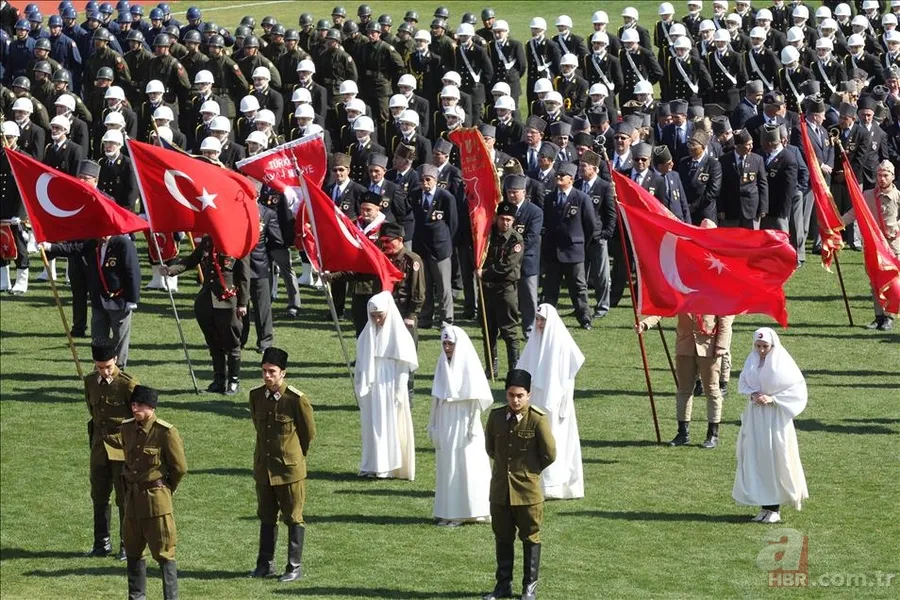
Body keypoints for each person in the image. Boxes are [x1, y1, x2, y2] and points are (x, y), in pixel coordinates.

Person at [483, 369, 556, 600]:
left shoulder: (537, 419)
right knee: (502, 538)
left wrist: (530, 473)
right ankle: (503, 586)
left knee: (530, 537)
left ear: (529, 395)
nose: (515, 400)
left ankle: (529, 588)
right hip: (500, 492)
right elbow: (491, 448)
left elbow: (550, 454)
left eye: (520, 395)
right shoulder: (495, 417)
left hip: (527, 494)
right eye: (511, 395)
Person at [249, 347, 317, 582]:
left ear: (283, 373)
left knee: (293, 517)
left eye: (272, 371)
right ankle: (264, 564)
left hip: (288, 471)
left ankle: (294, 567)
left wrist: (295, 458)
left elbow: (308, 434)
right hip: (264, 469)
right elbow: (259, 431)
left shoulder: (296, 400)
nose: (267, 376)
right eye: (264, 371)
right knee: (266, 516)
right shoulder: (256, 396)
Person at [732, 328, 808, 524]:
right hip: (756, 416)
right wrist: (753, 394)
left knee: (775, 457)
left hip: (775, 418)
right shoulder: (752, 360)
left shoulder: (783, 363)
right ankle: (765, 506)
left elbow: (796, 389)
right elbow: (743, 382)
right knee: (757, 457)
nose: (761, 350)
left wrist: (773, 399)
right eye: (758, 346)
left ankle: (775, 507)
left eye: (765, 346)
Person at [122, 385, 187, 600]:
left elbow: (179, 468)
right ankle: (136, 597)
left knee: (164, 553)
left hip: (156, 503)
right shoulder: (127, 428)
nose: (134, 409)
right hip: (132, 502)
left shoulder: (165, 432)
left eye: (139, 405)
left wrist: (166, 489)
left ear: (151, 407)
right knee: (133, 551)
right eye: (133, 404)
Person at [164, 235, 250, 395]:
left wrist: (243, 303)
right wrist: (170, 270)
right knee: (214, 343)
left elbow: (244, 277)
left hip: (227, 301)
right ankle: (219, 380)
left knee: (232, 343)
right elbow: (190, 260)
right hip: (206, 302)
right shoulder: (207, 241)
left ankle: (233, 381)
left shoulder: (237, 242)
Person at [516, 305, 585, 500]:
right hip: (537, 401)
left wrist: (563, 401)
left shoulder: (562, 343)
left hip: (556, 404)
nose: (539, 324)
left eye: (542, 320)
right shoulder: (534, 342)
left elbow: (570, 373)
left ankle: (556, 486)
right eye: (537, 319)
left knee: (556, 441)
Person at [428, 325, 493, 526]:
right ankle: (449, 511)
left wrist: (472, 425)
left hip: (464, 421)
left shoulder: (468, 364)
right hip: (447, 418)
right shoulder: (442, 363)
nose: (447, 348)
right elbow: (437, 397)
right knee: (448, 464)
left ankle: (469, 510)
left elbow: (475, 398)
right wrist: (433, 423)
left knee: (466, 464)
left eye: (450, 344)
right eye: (444, 344)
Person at [83, 342, 138, 560]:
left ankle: (127, 544)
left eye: (107, 366)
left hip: (122, 448)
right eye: (99, 367)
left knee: (124, 497)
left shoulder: (128, 384)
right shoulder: (90, 382)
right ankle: (101, 543)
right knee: (98, 495)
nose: (104, 371)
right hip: (99, 448)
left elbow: (138, 417)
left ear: (115, 359)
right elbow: (92, 410)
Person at [355, 291, 417, 480]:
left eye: (380, 316)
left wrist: (399, 388)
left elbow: (404, 364)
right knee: (372, 425)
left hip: (390, 385)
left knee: (389, 426)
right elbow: (362, 360)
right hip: (373, 386)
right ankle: (372, 464)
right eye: (373, 317)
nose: (377, 320)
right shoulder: (368, 334)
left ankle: (388, 467)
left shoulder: (399, 335)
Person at [840, 160, 900, 331]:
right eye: (879, 175)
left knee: (892, 283)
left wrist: (896, 227)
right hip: (873, 247)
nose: (881, 179)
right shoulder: (867, 195)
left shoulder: (898, 196)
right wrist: (836, 225)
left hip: (892, 246)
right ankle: (878, 316)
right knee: (874, 283)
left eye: (885, 176)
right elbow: (853, 213)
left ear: (893, 177)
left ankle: (889, 317)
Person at [480, 201, 523, 379]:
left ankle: (514, 369)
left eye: (508, 220)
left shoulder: (515, 240)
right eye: (502, 219)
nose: (505, 223)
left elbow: (507, 265)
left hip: (506, 289)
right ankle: (491, 368)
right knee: (488, 330)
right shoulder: (487, 235)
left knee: (509, 331)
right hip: (487, 289)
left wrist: (485, 272)